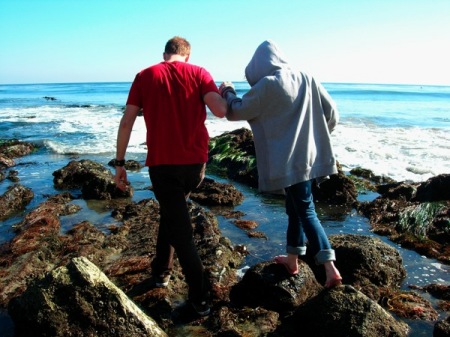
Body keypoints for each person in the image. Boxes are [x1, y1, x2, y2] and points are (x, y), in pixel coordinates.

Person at [113, 36, 227, 316]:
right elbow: (221, 111)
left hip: (163, 164)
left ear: (165, 54)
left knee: (182, 230)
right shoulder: (200, 73)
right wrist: (226, 91)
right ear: (186, 55)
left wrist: (119, 163)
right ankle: (161, 271)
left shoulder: (145, 75)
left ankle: (200, 298)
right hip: (195, 164)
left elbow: (127, 121)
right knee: (172, 212)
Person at [219, 40, 342, 288]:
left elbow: (237, 111)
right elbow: (332, 114)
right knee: (294, 208)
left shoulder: (268, 84)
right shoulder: (307, 77)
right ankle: (293, 259)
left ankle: (330, 268)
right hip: (309, 156)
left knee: (306, 210)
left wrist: (227, 91)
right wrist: (316, 138)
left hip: (288, 161)